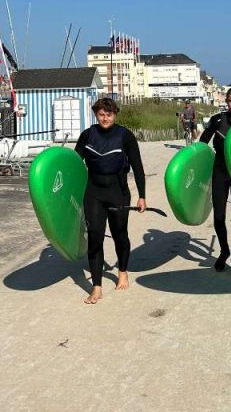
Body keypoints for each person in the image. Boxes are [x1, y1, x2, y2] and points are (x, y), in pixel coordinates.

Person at [74, 96, 146, 304]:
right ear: (96, 115)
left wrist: (142, 196)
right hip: (93, 192)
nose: (105, 118)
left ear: (115, 114)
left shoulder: (125, 136)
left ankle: (122, 271)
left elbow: (138, 167)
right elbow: (74, 165)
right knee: (95, 237)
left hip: (118, 192)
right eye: (101, 114)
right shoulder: (88, 135)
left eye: (109, 114)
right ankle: (96, 287)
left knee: (119, 234)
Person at [199, 86, 231, 274]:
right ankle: (224, 250)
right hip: (219, 172)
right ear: (226, 101)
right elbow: (202, 144)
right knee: (218, 216)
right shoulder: (217, 119)